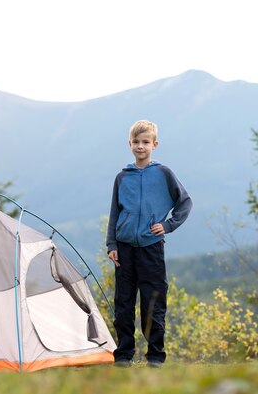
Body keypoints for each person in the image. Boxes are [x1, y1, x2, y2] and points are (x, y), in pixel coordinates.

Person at [106, 119, 192, 368]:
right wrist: (112, 243)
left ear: (155, 144)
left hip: (151, 248)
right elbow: (115, 212)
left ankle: (155, 356)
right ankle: (123, 355)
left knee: (153, 303)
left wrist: (167, 226)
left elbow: (184, 202)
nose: (140, 146)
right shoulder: (122, 177)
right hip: (123, 248)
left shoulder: (164, 173)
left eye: (145, 142)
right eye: (136, 142)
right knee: (123, 304)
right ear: (129, 144)